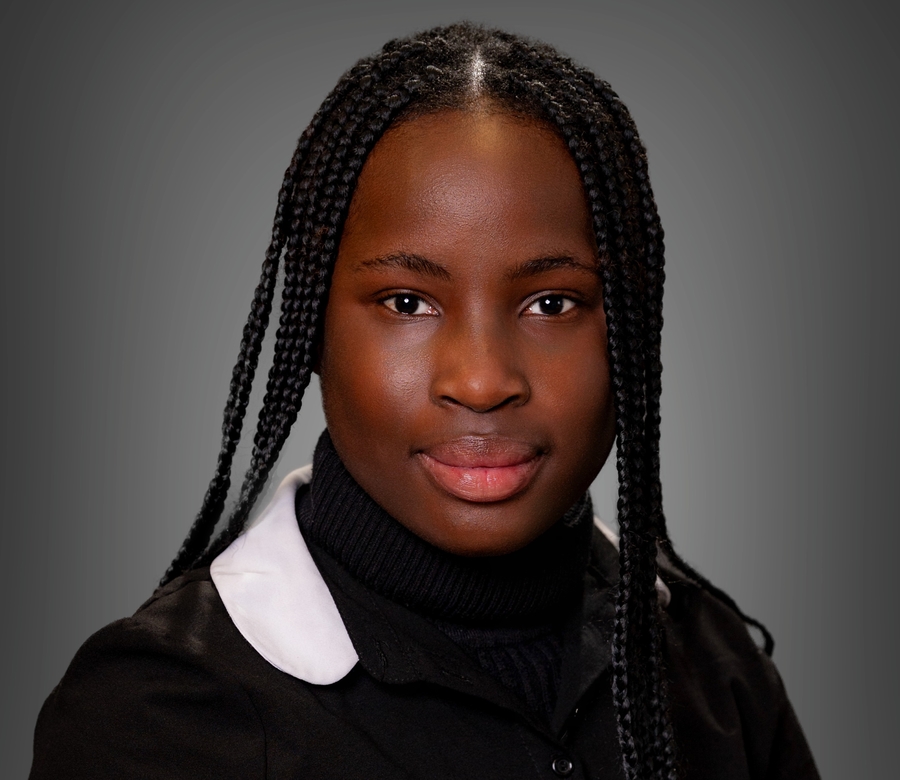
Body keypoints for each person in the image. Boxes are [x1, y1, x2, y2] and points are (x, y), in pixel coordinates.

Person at [29, 22, 818, 780]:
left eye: (552, 304)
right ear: (311, 331)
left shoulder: (712, 667)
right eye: (407, 303)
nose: (481, 381)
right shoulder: (162, 717)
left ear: (633, 334)